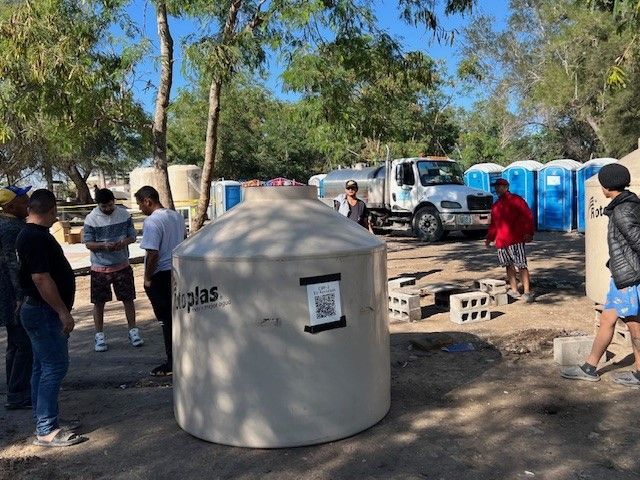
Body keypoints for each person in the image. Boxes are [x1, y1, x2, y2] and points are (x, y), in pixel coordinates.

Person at [16, 189, 86, 447]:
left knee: (41, 367)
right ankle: (46, 429)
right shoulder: (35, 238)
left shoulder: (31, 234)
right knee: (54, 367)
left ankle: (43, 419)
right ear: (52, 210)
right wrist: (62, 311)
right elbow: (40, 277)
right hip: (44, 312)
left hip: (35, 308)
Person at [562, 163, 640, 385]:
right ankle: (589, 367)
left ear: (607, 187)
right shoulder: (628, 204)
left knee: (634, 324)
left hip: (628, 278)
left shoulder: (623, 211)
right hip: (622, 275)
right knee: (607, 319)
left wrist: (629, 274)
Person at [83, 188, 142, 352]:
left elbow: (132, 235)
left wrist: (124, 242)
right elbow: (88, 243)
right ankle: (99, 335)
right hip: (99, 268)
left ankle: (133, 330)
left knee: (128, 299)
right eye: (104, 207)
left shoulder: (124, 214)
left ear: (113, 201)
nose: (108, 209)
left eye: (110, 205)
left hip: (122, 264)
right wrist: (103, 246)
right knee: (99, 303)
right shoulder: (91, 219)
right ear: (98, 205)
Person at [135, 186, 185, 377]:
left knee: (166, 320)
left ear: (148, 201)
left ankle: (171, 361)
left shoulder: (152, 222)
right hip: (177, 272)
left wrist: (147, 278)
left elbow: (153, 252)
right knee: (177, 317)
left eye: (140, 204)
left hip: (161, 275)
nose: (140, 209)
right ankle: (179, 356)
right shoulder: (176, 217)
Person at [0, 186, 33, 410]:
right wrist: (21, 296)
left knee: (15, 344)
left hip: (7, 295)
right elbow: (14, 265)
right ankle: (19, 394)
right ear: (11, 206)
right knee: (24, 345)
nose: (28, 203)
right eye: (24, 200)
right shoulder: (12, 228)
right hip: (14, 296)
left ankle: (15, 389)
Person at [485, 178, 535, 303]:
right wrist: (489, 238)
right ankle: (514, 289)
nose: (497, 189)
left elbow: (528, 216)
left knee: (521, 265)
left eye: (499, 186)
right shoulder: (496, 205)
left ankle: (527, 291)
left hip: (516, 239)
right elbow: (494, 225)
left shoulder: (516, 200)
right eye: (496, 187)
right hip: (501, 241)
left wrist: (529, 232)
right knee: (508, 265)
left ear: (506, 187)